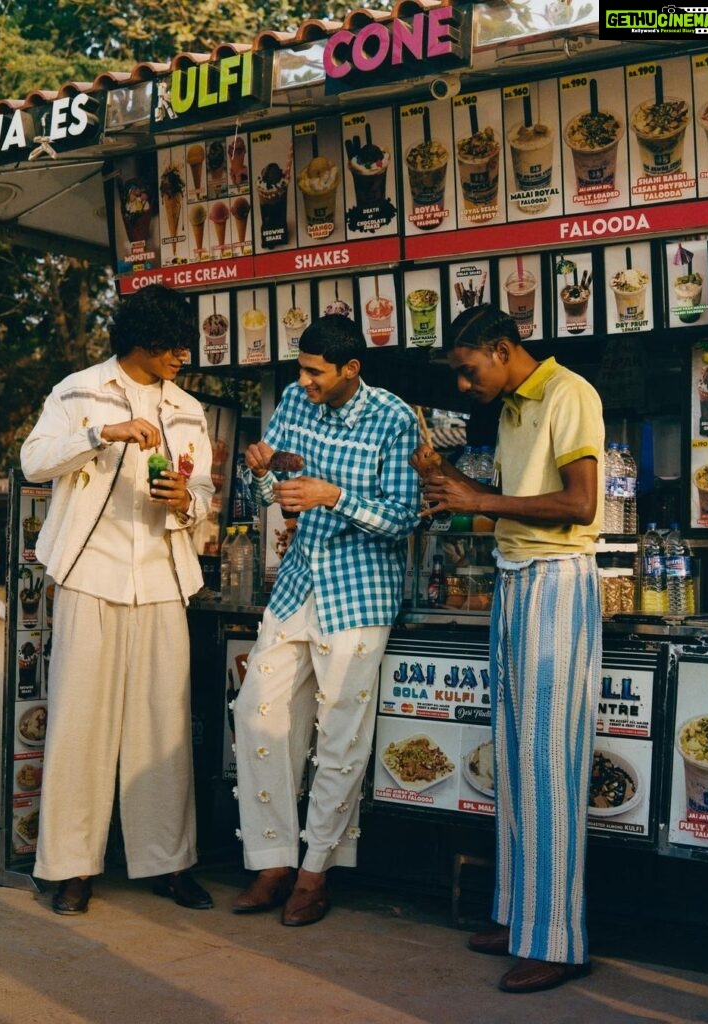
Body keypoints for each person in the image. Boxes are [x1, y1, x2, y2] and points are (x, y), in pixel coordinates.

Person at [411, 304, 603, 992]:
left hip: (557, 582)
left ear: (500, 349)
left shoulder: (567, 392)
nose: (463, 387)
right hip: (516, 579)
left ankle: (557, 938)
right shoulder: (515, 407)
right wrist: (459, 495)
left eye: (467, 372)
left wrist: (480, 499)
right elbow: (514, 499)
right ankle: (521, 915)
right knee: (516, 755)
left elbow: (580, 504)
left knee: (549, 762)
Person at [20, 284, 214, 915]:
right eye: (171, 345)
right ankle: (70, 868)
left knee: (163, 725)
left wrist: (188, 503)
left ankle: (169, 861)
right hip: (89, 575)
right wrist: (102, 432)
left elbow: (205, 490)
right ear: (142, 341)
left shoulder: (188, 409)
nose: (182, 355)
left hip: (161, 577)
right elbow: (33, 461)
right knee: (80, 722)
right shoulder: (78, 391)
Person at [232, 314, 421, 926]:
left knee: (340, 736)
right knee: (257, 710)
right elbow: (268, 496)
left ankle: (314, 872)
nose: (304, 380)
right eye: (301, 369)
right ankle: (272, 858)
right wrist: (260, 471)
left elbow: (405, 517)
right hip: (297, 586)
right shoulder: (293, 400)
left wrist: (334, 495)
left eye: (316, 372)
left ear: (350, 369)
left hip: (360, 595)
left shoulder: (392, 417)